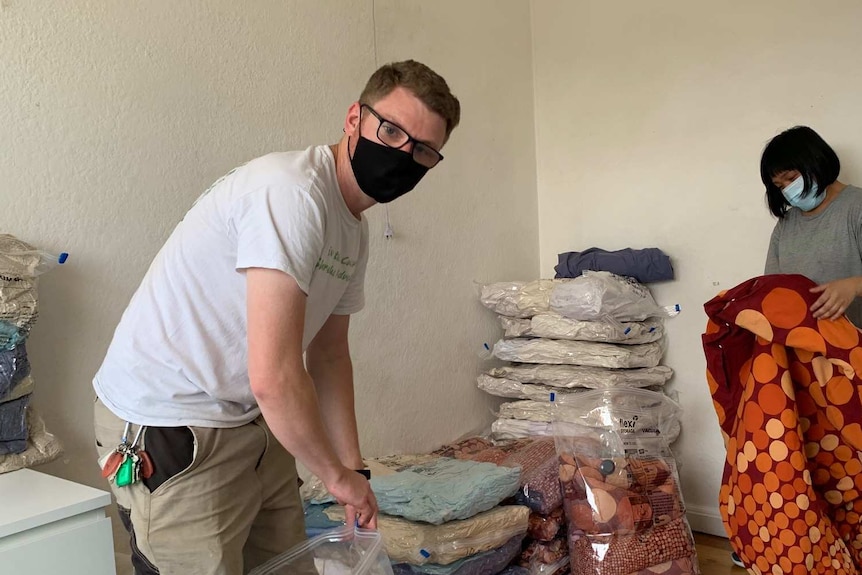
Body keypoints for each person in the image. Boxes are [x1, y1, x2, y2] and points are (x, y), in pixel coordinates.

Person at [92, 59, 460, 575]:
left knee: (288, 564)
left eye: (421, 150)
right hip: (173, 425)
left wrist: (355, 470)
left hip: (248, 421)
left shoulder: (351, 228)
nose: (402, 155)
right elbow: (274, 375)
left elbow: (329, 357)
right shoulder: (291, 194)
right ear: (354, 117)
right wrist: (333, 476)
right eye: (391, 131)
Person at [762, 125, 862, 327]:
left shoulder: (856, 208)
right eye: (780, 186)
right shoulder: (786, 226)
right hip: (804, 347)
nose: (788, 189)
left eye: (791, 178)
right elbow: (772, 289)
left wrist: (854, 286)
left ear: (817, 162)